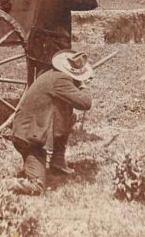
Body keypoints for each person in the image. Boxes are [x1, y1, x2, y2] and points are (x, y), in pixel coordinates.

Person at [10, 50, 93, 195]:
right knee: (37, 187)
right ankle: (8, 184)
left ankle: (57, 162)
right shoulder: (61, 81)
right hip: (29, 139)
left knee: (69, 116)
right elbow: (85, 103)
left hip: (31, 131)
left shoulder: (53, 75)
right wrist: (83, 85)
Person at [27, 0, 98, 85]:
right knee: (57, 82)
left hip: (36, 47)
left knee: (41, 81)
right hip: (54, 50)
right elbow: (91, 2)